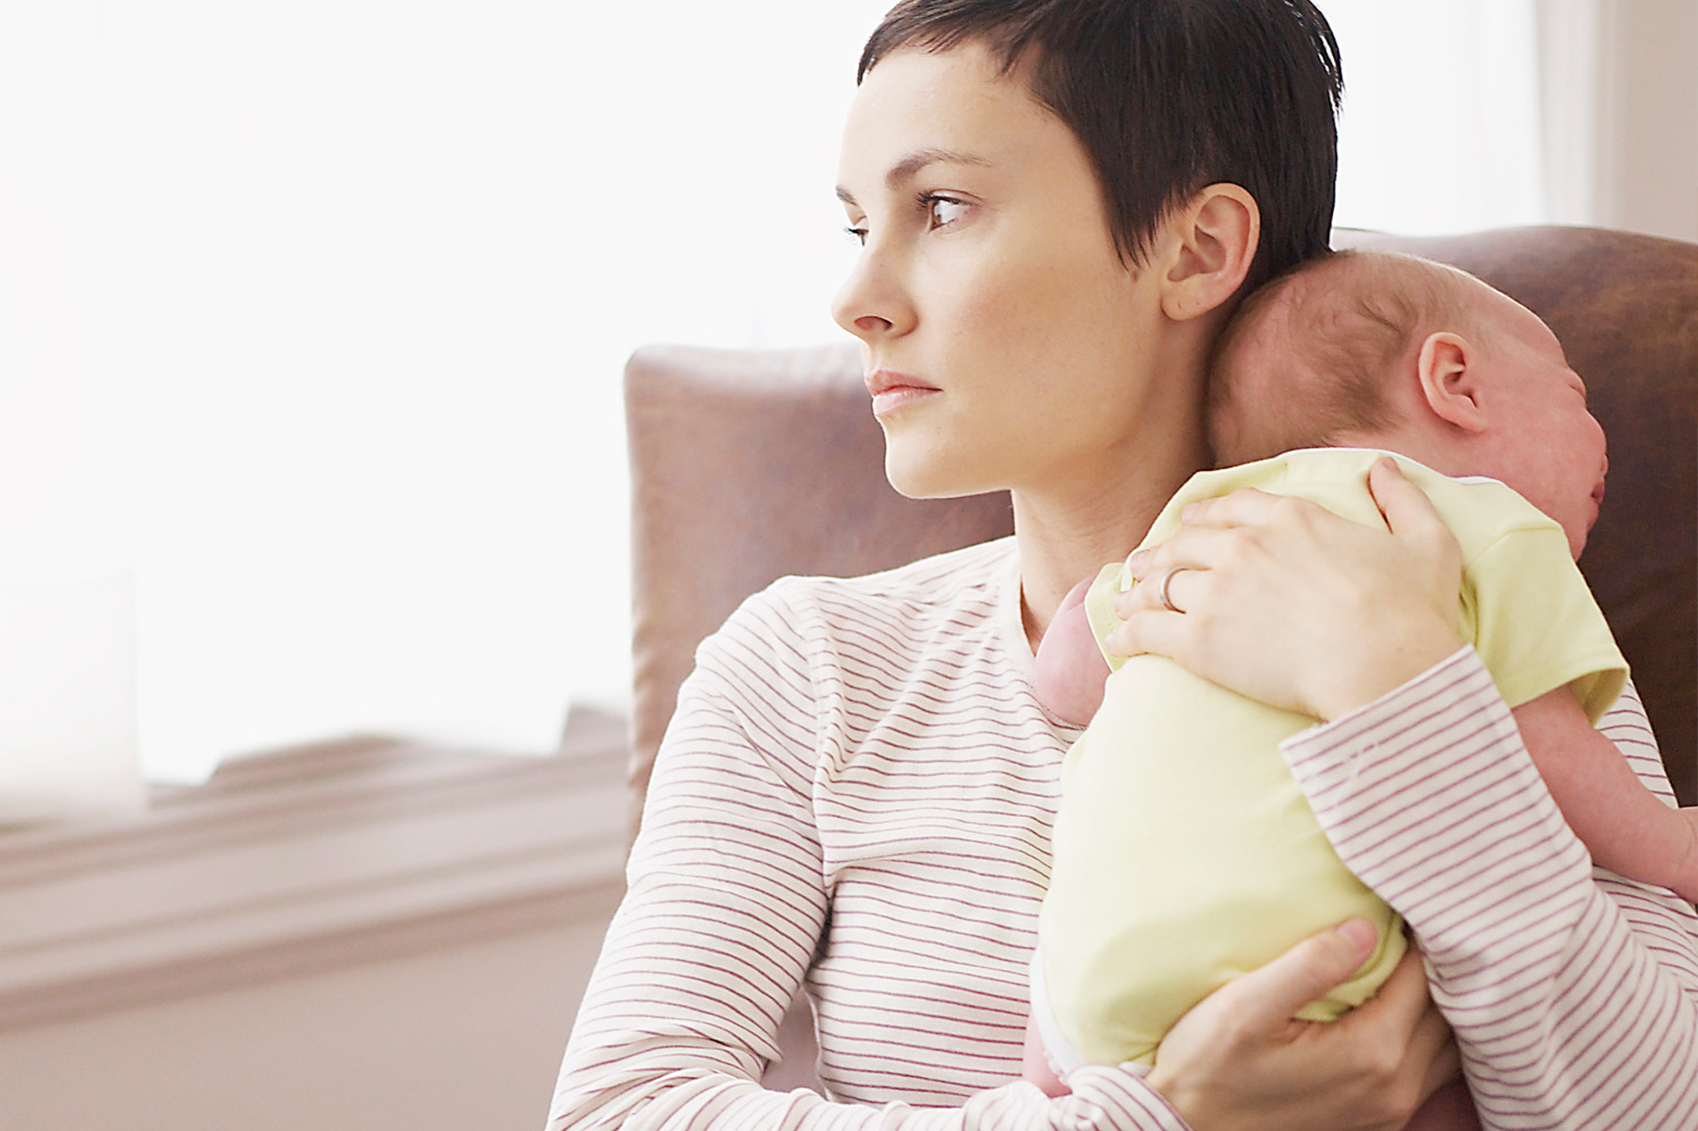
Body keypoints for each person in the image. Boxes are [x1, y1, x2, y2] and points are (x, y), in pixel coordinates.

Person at [549, 2, 1698, 1128]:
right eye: (860, 227)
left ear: (1197, 251)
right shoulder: (807, 670)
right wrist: (1147, 1116)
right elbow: (620, 1110)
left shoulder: (1469, 604)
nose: (856, 301)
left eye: (941, 207)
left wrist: (1402, 694)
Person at [1023, 249, 1698, 1100]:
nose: (1606, 443)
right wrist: (1671, 844)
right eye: (1577, 396)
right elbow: (1544, 747)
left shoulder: (1206, 518)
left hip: (1083, 991)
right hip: (1314, 975)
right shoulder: (1493, 527)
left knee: (1060, 1007)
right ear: (1455, 379)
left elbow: (1066, 674)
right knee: (1440, 1077)